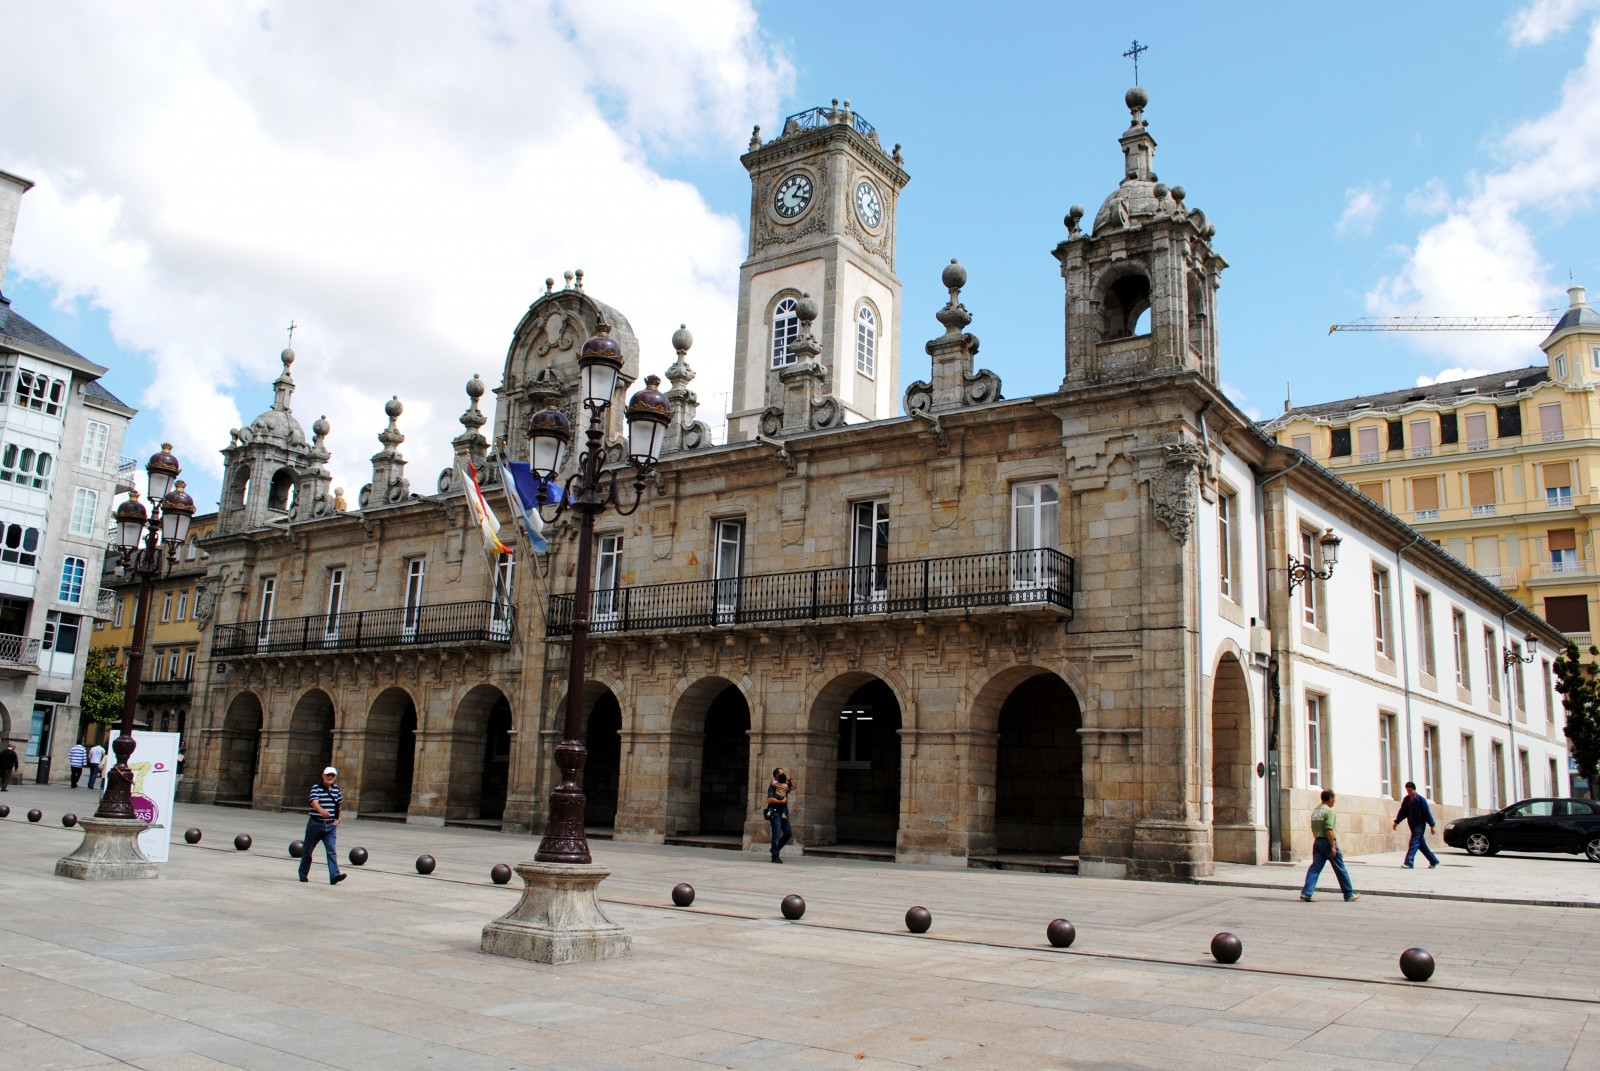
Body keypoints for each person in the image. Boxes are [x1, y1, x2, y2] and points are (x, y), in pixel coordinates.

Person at [1300, 788, 1360, 902]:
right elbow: (1329, 829)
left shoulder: (1316, 811)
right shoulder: (1329, 811)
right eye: (1334, 798)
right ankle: (1348, 894)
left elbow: (1313, 827)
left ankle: (1306, 893)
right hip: (1328, 842)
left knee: (1315, 868)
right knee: (1340, 868)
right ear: (1330, 799)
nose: (1335, 801)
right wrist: (1333, 845)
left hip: (1317, 842)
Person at [299, 766, 347, 885]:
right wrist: (321, 811)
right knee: (308, 851)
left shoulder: (336, 790)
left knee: (331, 850)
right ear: (323, 775)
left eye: (333, 775)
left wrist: (338, 819)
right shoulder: (316, 788)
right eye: (328, 775)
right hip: (315, 824)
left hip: (330, 826)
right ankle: (303, 873)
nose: (330, 777)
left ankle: (334, 875)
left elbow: (338, 806)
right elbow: (314, 802)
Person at [1392, 781, 1440, 869]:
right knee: (1421, 844)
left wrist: (1432, 825)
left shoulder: (1420, 800)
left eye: (1410, 790)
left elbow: (1427, 813)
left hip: (1420, 824)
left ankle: (1409, 862)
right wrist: (1396, 822)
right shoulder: (1406, 800)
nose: (1409, 792)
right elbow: (1403, 812)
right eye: (1407, 790)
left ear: (1414, 790)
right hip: (1412, 824)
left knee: (1413, 842)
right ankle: (1433, 860)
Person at [766, 767, 794, 864]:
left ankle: (775, 849)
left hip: (784, 813)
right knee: (776, 835)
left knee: (788, 833)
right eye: (782, 773)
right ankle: (775, 856)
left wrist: (790, 779)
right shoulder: (773, 785)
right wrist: (781, 801)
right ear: (777, 775)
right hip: (775, 812)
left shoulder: (784, 785)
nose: (783, 775)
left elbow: (794, 787)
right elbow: (770, 800)